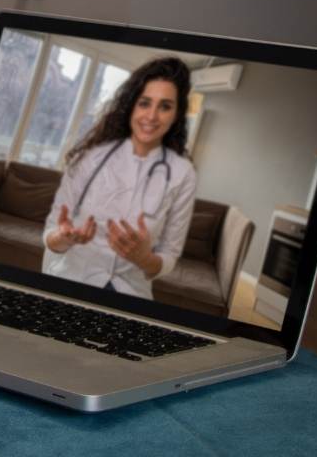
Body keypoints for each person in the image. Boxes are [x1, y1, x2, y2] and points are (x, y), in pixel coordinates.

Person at [41, 57, 199, 298]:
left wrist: (144, 259)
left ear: (176, 114)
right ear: (131, 105)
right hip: (72, 280)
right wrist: (64, 237)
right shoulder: (90, 158)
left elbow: (169, 255)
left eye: (165, 106)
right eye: (145, 103)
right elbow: (50, 235)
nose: (152, 116)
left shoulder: (183, 173)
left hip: (130, 292)